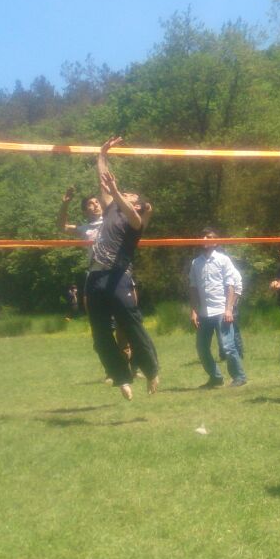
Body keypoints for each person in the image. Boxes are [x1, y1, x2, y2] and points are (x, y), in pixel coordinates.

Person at [82, 137, 160, 400]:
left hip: (118, 276)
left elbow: (138, 215)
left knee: (131, 325)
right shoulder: (111, 209)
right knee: (100, 333)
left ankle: (151, 370)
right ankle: (120, 376)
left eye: (130, 195)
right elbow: (103, 179)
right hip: (95, 277)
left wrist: (117, 194)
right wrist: (102, 154)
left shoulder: (135, 220)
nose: (125, 194)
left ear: (137, 203)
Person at [189, 228, 247, 388]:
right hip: (204, 313)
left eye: (209, 236)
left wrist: (229, 309)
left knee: (228, 347)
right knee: (202, 348)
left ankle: (239, 377)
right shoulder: (196, 263)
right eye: (203, 236)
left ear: (216, 242)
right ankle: (215, 377)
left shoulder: (223, 260)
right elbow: (193, 288)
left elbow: (231, 285)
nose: (204, 238)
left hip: (221, 311)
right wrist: (194, 311)